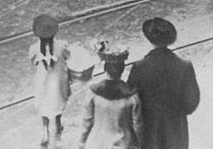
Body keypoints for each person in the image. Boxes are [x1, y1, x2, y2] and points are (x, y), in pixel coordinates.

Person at [127, 17, 200, 149]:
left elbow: (129, 104)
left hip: (148, 134)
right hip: (177, 132)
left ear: (150, 39)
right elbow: (191, 104)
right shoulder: (184, 66)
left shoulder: (139, 67)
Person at [78, 44, 143, 149]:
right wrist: (141, 144)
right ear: (122, 70)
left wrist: (81, 142)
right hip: (124, 144)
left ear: (105, 69)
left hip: (98, 144)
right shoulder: (132, 96)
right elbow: (138, 124)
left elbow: (87, 121)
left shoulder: (93, 93)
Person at [28, 14, 70, 147]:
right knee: (58, 102)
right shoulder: (62, 45)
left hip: (44, 83)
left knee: (44, 105)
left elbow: (33, 62)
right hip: (58, 83)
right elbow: (67, 56)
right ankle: (58, 125)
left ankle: (45, 130)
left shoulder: (34, 48)